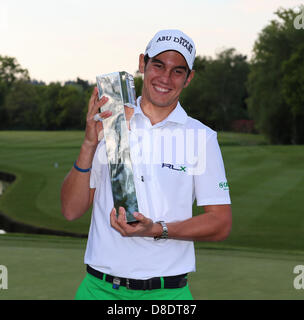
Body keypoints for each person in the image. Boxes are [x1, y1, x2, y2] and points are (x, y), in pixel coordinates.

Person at [60, 29, 232, 300]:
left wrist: (157, 229)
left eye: (178, 71)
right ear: (142, 63)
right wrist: (89, 144)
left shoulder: (201, 137)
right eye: (158, 65)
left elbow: (220, 223)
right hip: (99, 290)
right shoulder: (111, 119)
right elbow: (71, 210)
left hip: (167, 295)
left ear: (189, 78)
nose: (165, 78)